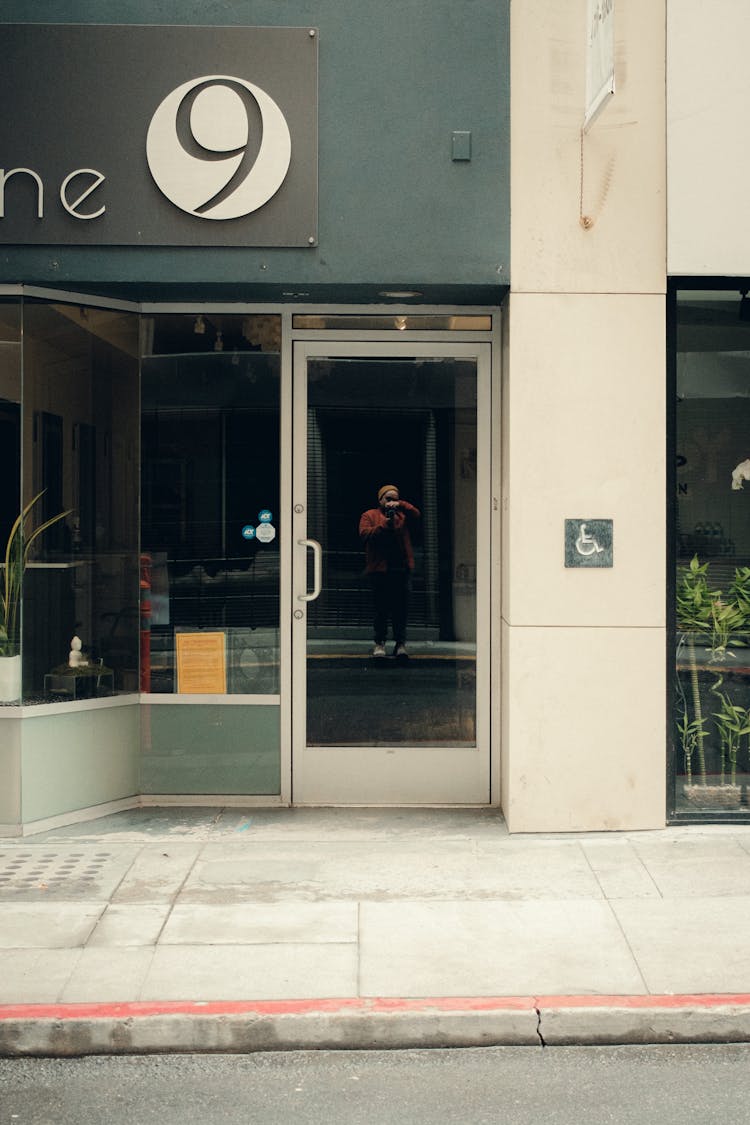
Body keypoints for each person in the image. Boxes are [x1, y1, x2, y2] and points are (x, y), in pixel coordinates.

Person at [358, 484, 421, 659]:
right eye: (388, 498)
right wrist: (384, 525)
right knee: (381, 609)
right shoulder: (369, 515)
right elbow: (364, 534)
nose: (391, 502)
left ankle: (401, 644)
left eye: (395, 498)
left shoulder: (402, 515)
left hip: (401, 569)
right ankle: (380, 643)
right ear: (380, 500)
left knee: (401, 609)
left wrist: (401, 505)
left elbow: (416, 514)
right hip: (380, 570)